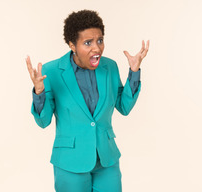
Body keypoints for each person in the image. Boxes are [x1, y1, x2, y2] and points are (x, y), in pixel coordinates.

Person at [26, 10, 149, 192]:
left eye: (100, 40)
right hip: (70, 161)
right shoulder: (51, 71)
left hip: (106, 160)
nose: (97, 48)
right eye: (87, 43)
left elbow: (124, 106)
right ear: (72, 45)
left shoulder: (110, 67)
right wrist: (38, 92)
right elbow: (43, 121)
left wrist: (134, 72)